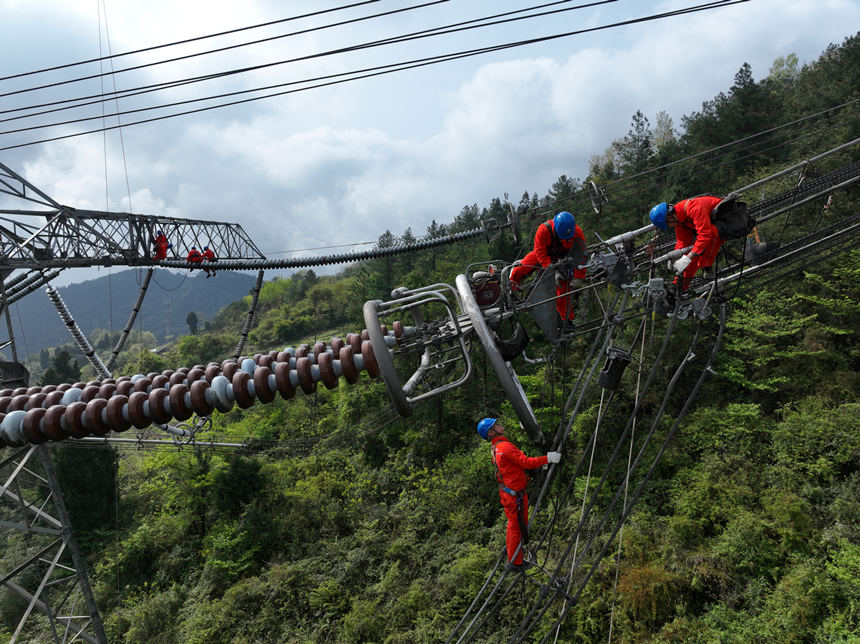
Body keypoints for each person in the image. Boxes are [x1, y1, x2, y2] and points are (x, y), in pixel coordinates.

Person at [477, 417, 562, 569]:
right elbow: (526, 462)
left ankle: (511, 549)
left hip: (508, 492)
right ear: (491, 432)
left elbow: (512, 467)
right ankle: (515, 562)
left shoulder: (496, 447)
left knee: (513, 524)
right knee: (517, 526)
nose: (499, 424)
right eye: (495, 425)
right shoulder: (505, 447)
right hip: (514, 495)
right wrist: (547, 458)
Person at [509, 211, 587, 321]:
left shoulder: (577, 233)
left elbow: (581, 255)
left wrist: (578, 276)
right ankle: (511, 289)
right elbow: (540, 251)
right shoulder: (544, 230)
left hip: (564, 259)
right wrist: (552, 269)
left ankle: (568, 320)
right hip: (545, 256)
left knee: (563, 290)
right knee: (522, 267)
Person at [649, 196, 724, 290]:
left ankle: (706, 266)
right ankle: (679, 287)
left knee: (701, 245)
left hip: (726, 220)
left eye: (668, 225)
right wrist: (674, 258)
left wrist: (688, 257)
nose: (671, 227)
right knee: (691, 254)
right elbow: (683, 242)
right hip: (712, 224)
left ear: (670, 217)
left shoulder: (694, 208)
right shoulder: (680, 219)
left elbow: (705, 236)